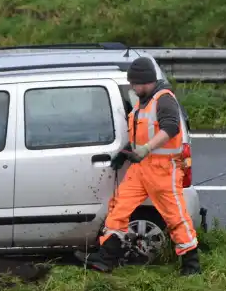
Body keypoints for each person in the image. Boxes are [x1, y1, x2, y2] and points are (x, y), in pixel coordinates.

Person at [76, 57, 201, 276]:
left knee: (175, 217)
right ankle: (105, 259)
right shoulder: (143, 102)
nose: (132, 87)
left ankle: (191, 266)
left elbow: (170, 128)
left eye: (134, 83)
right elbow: (139, 135)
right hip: (140, 169)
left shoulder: (164, 99)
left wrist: (145, 149)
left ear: (145, 81)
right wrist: (126, 152)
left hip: (162, 170)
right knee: (118, 209)